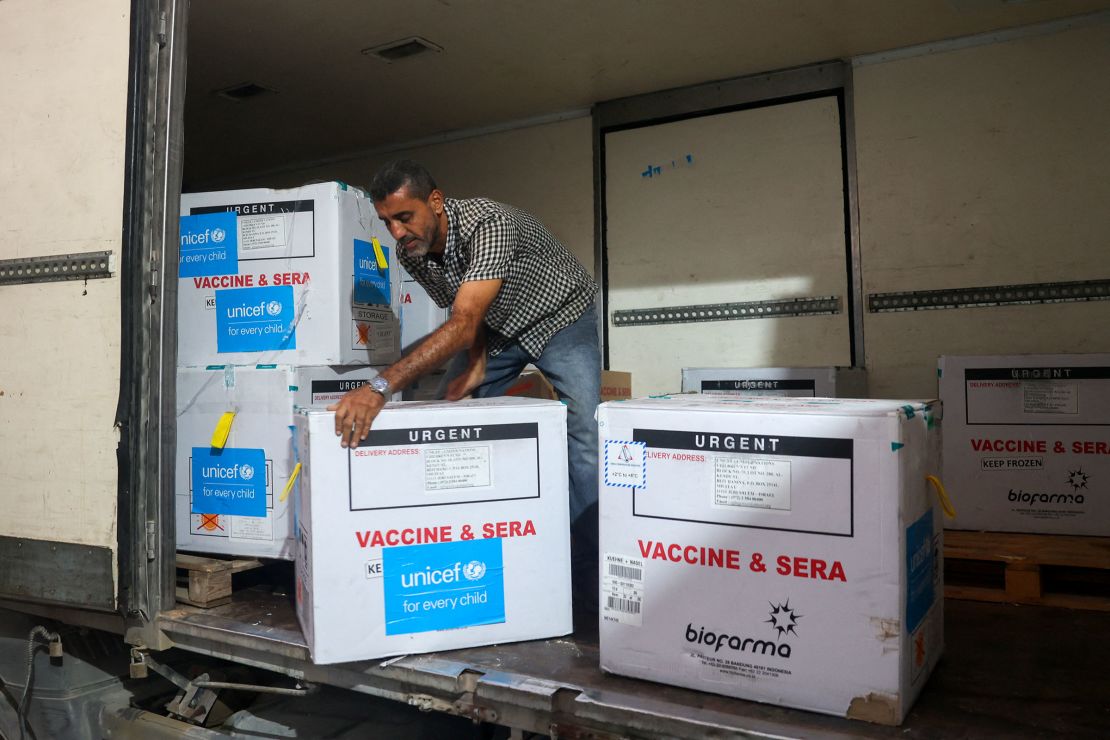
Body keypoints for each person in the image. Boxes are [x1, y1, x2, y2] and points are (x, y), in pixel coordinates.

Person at [329, 160, 601, 625]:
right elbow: (467, 314)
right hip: (497, 328)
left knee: (585, 440)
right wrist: (476, 364)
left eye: (405, 217)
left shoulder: (488, 224)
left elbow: (462, 321)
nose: (397, 232)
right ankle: (497, 547)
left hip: (560, 316)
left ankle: (589, 580)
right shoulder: (411, 253)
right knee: (454, 415)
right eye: (387, 222)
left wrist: (378, 387)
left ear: (435, 202)